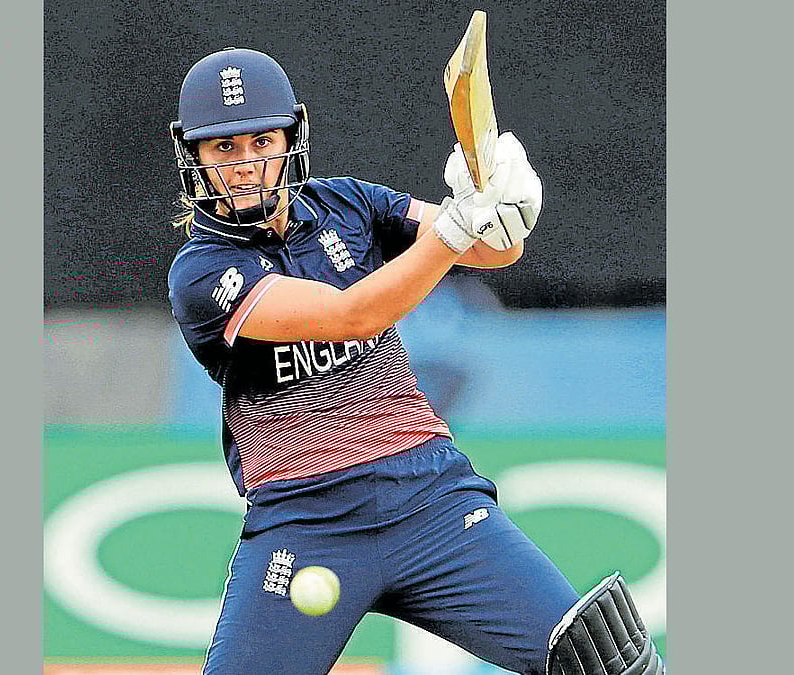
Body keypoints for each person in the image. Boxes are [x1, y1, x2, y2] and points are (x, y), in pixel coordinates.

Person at [167, 48, 663, 675]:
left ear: (292, 137)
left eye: (261, 141)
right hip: (305, 525)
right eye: (224, 149)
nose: (246, 166)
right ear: (195, 158)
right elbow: (352, 315)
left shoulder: (347, 205)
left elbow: (488, 253)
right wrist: (454, 229)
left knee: (604, 665)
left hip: (432, 502)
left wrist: (502, 210)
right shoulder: (201, 272)